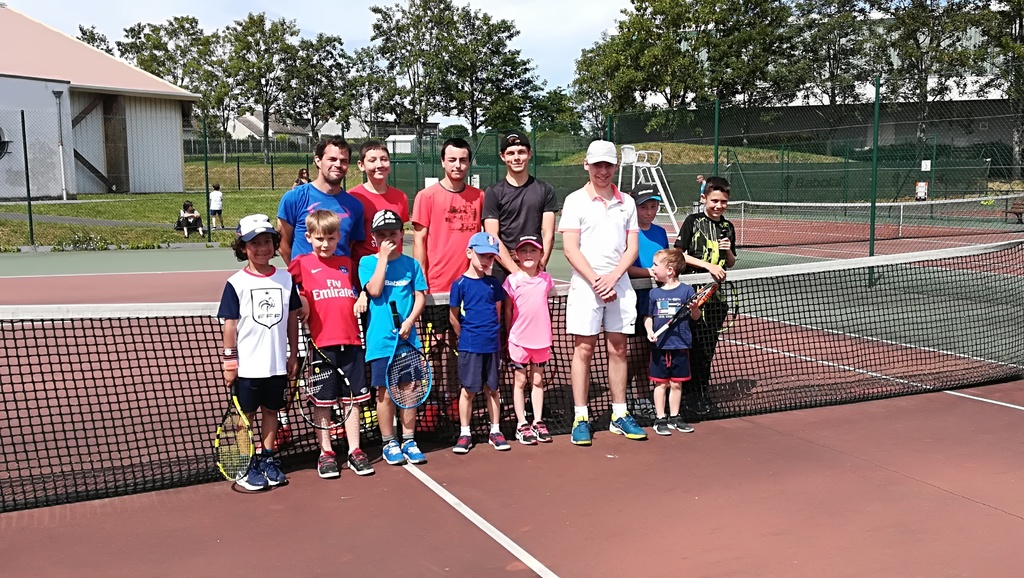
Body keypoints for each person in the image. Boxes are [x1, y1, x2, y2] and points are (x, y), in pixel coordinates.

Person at [558, 140, 647, 446]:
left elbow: (632, 248)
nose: (603, 171)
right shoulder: (574, 201)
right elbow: (570, 249)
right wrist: (597, 280)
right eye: (597, 165)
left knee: (619, 348)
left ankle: (619, 414)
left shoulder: (628, 203)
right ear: (587, 165)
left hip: (618, 284)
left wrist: (613, 277)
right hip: (586, 286)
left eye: (608, 165)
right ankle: (580, 417)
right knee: (584, 349)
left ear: (615, 167)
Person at [217, 214, 300, 491]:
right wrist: (230, 362)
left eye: (267, 241)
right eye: (254, 243)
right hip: (247, 367)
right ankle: (246, 463)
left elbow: (292, 318)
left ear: (275, 244)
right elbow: (230, 325)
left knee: (271, 411)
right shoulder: (235, 283)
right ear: (243, 247)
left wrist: (293, 354)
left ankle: (267, 459)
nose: (262, 248)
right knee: (246, 417)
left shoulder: (286, 279)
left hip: (276, 364)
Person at [288, 209, 372, 478]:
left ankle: (355, 450)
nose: (325, 244)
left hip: (352, 343)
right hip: (321, 346)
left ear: (339, 238)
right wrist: (300, 299)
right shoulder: (301, 263)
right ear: (309, 237)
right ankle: (326, 452)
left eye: (331, 238)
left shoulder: (347, 263)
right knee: (323, 402)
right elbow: (287, 290)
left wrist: (362, 296)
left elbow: (359, 290)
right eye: (320, 238)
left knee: (352, 401)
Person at [356, 209, 429, 466]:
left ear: (401, 234)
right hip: (380, 341)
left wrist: (410, 321)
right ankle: (389, 442)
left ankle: (409, 440)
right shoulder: (367, 263)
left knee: (409, 390)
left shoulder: (412, 265)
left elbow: (420, 296)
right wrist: (384, 259)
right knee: (385, 393)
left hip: (408, 341)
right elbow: (374, 291)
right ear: (373, 237)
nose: (388, 239)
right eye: (382, 235)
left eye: (393, 234)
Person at [411, 138, 484, 373]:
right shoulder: (426, 196)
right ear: (443, 162)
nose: (457, 165)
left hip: (468, 286)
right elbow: (419, 241)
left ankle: (455, 392)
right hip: (436, 286)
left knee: (460, 343)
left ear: (469, 163)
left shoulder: (479, 196)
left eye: (463, 160)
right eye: (452, 159)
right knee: (434, 345)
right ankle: (433, 394)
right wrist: (421, 280)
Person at [673, 176, 736, 411]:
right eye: (714, 201)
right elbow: (679, 254)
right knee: (692, 347)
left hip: (716, 299)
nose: (719, 206)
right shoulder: (693, 221)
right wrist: (708, 266)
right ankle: (686, 394)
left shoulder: (728, 227)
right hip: (693, 297)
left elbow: (730, 263)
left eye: (723, 201)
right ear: (704, 198)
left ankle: (701, 392)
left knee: (708, 349)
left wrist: (728, 252)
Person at [449, 232, 507, 454]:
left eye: (490, 257)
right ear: (469, 252)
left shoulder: (493, 284)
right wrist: (465, 337)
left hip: (491, 345)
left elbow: (497, 312)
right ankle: (465, 433)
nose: (486, 260)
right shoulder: (460, 284)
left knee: (493, 389)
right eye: (481, 255)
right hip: (470, 346)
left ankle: (495, 431)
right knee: (468, 390)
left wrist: (491, 335)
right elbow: (453, 316)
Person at [482, 133, 558, 285]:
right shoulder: (493, 192)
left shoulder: (545, 190)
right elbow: (492, 236)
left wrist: (539, 266)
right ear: (502, 156)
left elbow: (549, 234)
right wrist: (517, 272)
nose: (516, 157)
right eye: (510, 153)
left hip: (534, 269)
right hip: (503, 271)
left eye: (521, 152)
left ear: (530, 154)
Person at [277, 137, 364, 265]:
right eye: (332, 159)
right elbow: (283, 245)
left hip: (340, 276)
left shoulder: (355, 205)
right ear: (318, 160)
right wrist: (300, 272)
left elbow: (351, 246)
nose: (338, 165)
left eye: (344, 161)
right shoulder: (294, 198)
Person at [502, 235, 555, 445]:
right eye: (523, 251)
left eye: (533, 250)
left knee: (538, 381)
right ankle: (522, 424)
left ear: (541, 254)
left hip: (541, 341)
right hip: (519, 341)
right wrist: (510, 334)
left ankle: (538, 421)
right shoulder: (512, 280)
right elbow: (508, 310)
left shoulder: (546, 279)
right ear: (517, 255)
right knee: (520, 381)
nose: (528, 255)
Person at [643, 248, 701, 436]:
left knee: (676, 384)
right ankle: (660, 418)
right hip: (660, 346)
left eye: (655, 265)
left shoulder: (687, 291)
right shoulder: (654, 294)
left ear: (670, 270)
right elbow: (648, 316)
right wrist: (650, 331)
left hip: (680, 345)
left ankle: (675, 416)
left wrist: (694, 308)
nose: (652, 268)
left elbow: (695, 317)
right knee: (660, 384)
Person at [625, 186, 669, 417]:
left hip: (657, 298)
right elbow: (625, 268)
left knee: (648, 350)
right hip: (634, 298)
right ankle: (623, 391)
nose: (649, 212)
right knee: (637, 349)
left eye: (653, 207)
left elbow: (667, 263)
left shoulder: (660, 232)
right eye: (644, 207)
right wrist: (650, 273)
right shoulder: (627, 233)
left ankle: (641, 397)